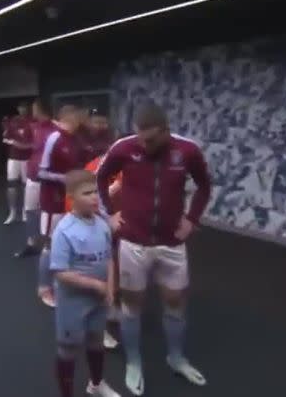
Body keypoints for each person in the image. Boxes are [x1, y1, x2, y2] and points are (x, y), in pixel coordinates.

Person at [96, 104, 211, 395]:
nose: (144, 145)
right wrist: (109, 213)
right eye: (140, 139)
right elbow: (100, 177)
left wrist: (192, 219)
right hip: (133, 242)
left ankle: (176, 357)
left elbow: (204, 186)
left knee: (175, 302)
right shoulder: (125, 148)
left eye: (150, 140)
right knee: (132, 305)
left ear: (166, 132)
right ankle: (134, 361)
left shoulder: (187, 151)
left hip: (172, 242)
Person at [50, 170, 120, 397]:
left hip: (98, 300)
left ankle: (96, 384)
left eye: (95, 192)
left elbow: (109, 257)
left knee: (96, 341)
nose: (94, 198)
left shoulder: (101, 224)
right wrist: (95, 285)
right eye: (87, 193)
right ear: (71, 196)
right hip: (73, 302)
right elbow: (61, 272)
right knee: (68, 350)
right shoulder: (64, 230)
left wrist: (109, 286)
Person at [37, 105, 86, 307]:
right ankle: (43, 287)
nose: (82, 121)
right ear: (69, 117)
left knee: (68, 244)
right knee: (49, 245)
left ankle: (63, 285)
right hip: (53, 201)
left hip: (70, 200)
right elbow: (41, 171)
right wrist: (66, 178)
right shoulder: (54, 137)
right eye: (78, 118)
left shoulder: (74, 139)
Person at [14, 99, 57, 258]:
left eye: (34, 109)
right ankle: (32, 243)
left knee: (47, 212)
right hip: (33, 177)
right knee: (30, 211)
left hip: (48, 179)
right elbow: (30, 145)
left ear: (40, 110)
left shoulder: (55, 129)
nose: (32, 112)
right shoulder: (34, 127)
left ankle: (48, 245)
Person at [2, 102, 34, 224]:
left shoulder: (32, 122)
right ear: (18, 108)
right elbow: (5, 138)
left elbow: (35, 141)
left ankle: (25, 211)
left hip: (26, 158)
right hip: (13, 158)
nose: (22, 109)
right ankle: (12, 212)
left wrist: (25, 146)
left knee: (26, 186)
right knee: (11, 186)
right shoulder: (13, 121)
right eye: (20, 107)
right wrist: (13, 143)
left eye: (24, 107)